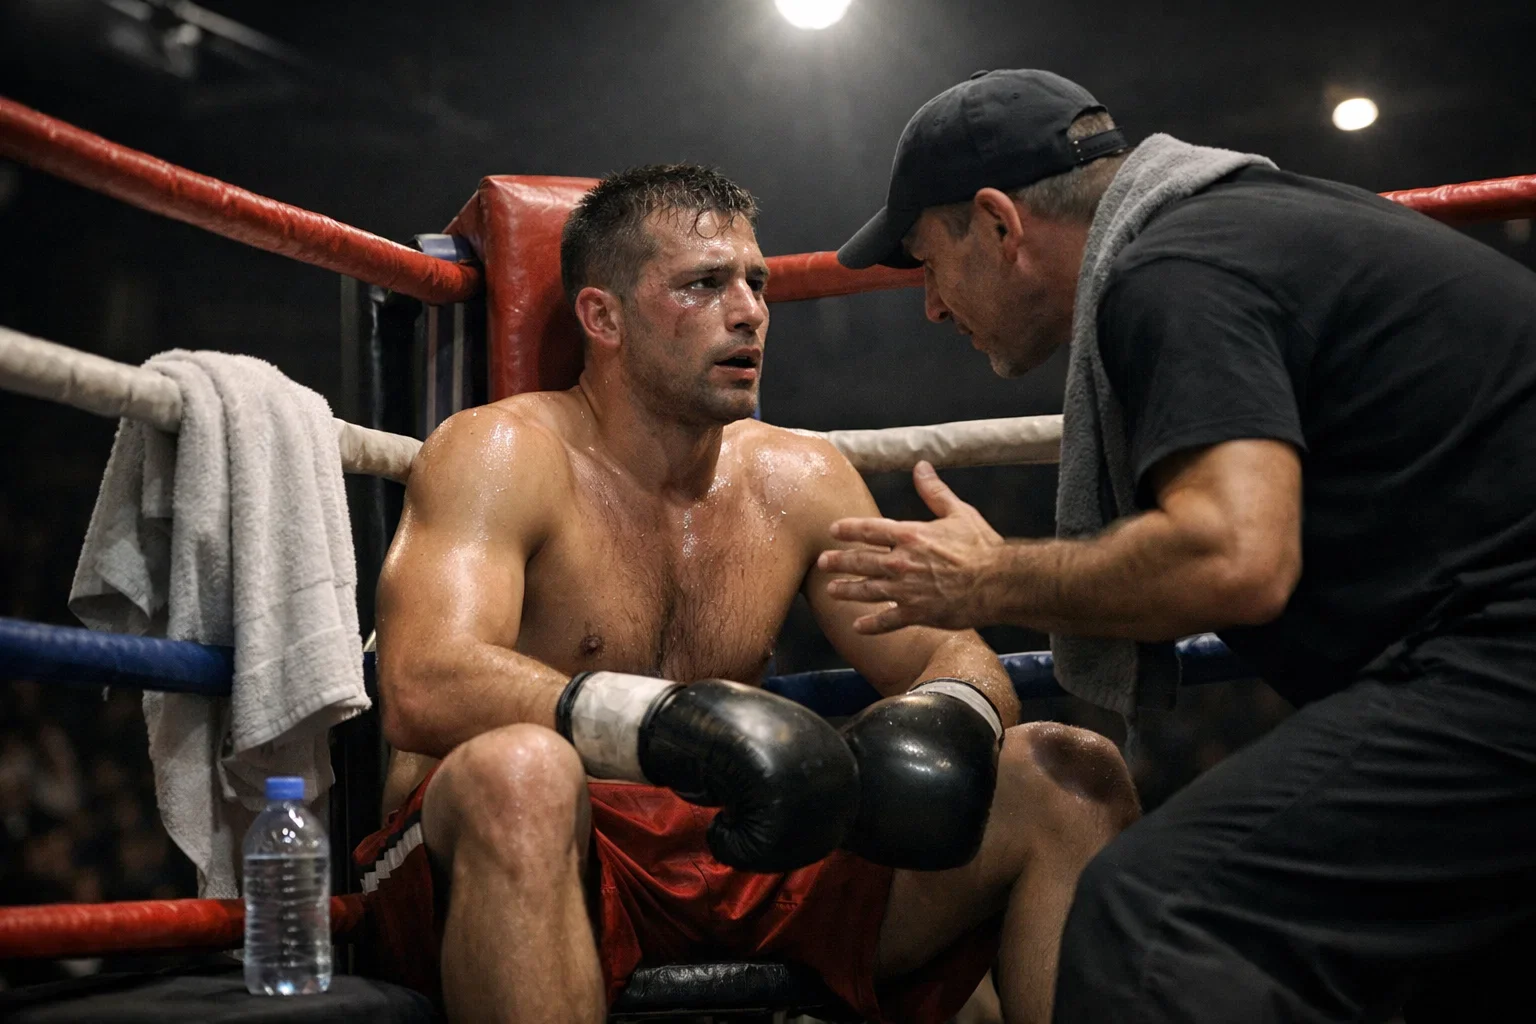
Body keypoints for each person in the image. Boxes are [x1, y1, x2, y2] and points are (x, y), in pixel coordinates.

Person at [356, 163, 1140, 1024]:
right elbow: (423, 681)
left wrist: (940, 722)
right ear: (602, 316)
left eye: (755, 283)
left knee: (1070, 773)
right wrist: (665, 725)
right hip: (533, 848)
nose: (750, 312)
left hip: (734, 845)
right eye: (703, 284)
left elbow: (950, 652)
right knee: (522, 768)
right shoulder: (501, 453)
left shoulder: (798, 476)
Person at [830, 68, 1536, 1022]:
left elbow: (1231, 556)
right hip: (1478, 653)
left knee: (1152, 918)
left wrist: (990, 575)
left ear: (999, 225)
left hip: (1501, 657)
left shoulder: (1173, 272)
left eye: (926, 263)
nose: (930, 306)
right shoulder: (1250, 223)